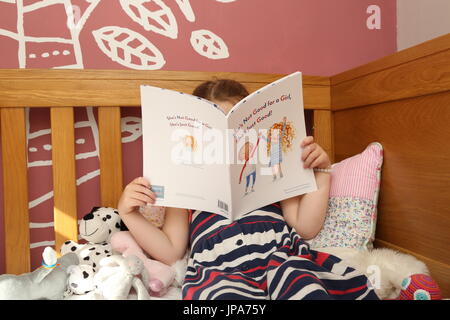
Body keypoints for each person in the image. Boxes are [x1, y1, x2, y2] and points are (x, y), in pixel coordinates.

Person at [117, 79, 379, 300]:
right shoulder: (186, 190)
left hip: (281, 256)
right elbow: (171, 250)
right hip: (220, 270)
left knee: (302, 281)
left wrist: (321, 173)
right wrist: (128, 213)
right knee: (221, 296)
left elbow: (305, 226)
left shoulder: (270, 168)